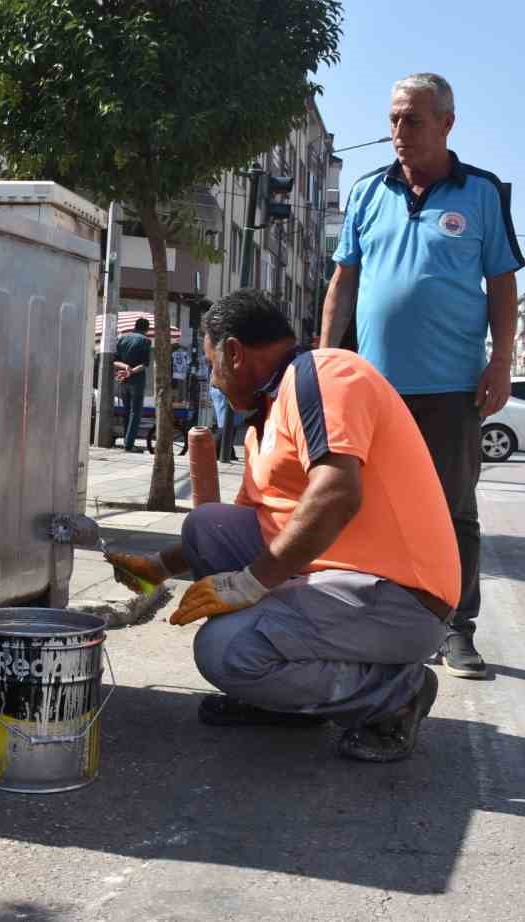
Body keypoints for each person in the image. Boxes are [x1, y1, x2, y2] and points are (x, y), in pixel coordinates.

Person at [106, 290, 458, 762]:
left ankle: (395, 695)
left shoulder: (325, 374)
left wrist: (252, 583)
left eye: (212, 365)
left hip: (400, 598)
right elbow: (246, 529)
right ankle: (281, 696)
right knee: (207, 525)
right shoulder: (266, 417)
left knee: (224, 651)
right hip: (342, 577)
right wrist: (156, 567)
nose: (213, 379)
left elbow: (336, 492)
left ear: (234, 352)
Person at [319, 73, 524, 681]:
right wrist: (327, 360)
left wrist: (502, 361)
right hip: (371, 388)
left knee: (453, 511)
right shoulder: (367, 192)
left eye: (412, 120)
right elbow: (344, 281)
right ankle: (376, 621)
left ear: (446, 124)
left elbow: (503, 283)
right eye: (393, 120)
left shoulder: (481, 194)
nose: (398, 133)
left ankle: (457, 629)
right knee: (364, 507)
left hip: (451, 387)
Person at [115, 317, 153, 453]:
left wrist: (125, 368)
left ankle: (127, 440)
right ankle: (129, 444)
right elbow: (144, 364)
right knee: (135, 412)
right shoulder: (145, 341)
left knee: (126, 411)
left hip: (123, 380)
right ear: (146, 329)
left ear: (135, 326)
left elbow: (115, 361)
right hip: (136, 381)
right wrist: (131, 372)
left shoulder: (122, 339)